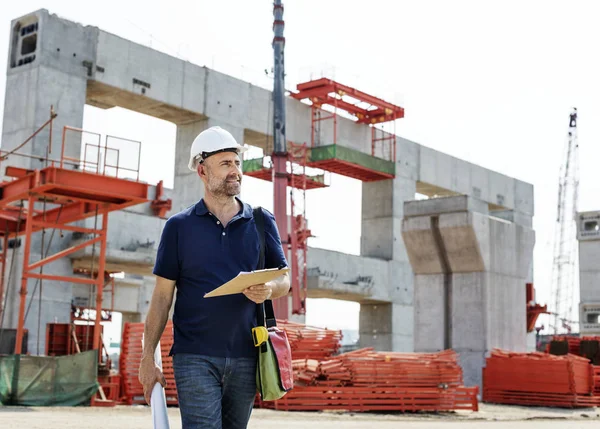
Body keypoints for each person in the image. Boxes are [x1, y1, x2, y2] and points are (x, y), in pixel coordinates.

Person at [138, 126, 290, 429]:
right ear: (202, 171)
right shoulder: (179, 227)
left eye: (237, 163)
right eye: (225, 164)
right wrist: (147, 359)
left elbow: (284, 280)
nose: (235, 171)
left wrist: (269, 289)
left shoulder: (261, 221)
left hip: (248, 355)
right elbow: (162, 296)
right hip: (195, 356)